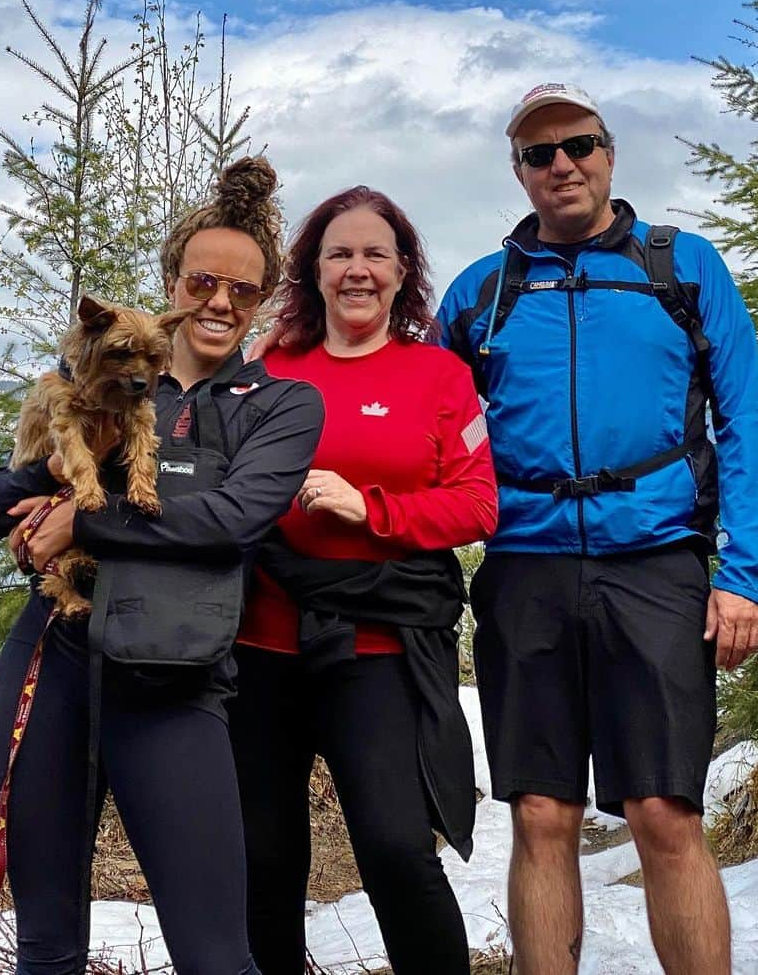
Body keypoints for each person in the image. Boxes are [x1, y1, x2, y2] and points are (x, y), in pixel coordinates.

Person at [436, 83, 758, 975]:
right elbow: (427, 431)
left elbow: (745, 420)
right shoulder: (483, 292)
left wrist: (746, 575)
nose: (563, 166)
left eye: (579, 145)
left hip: (658, 563)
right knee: (541, 814)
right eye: (539, 154)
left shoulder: (685, 268)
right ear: (518, 171)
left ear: (610, 153)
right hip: (525, 567)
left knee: (663, 812)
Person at [0, 157, 323, 975]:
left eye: (245, 291)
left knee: (216, 954)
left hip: (175, 683)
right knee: (46, 946)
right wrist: (45, 477)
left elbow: (230, 526)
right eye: (201, 282)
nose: (220, 303)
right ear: (171, 281)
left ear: (263, 304)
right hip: (49, 663)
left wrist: (82, 522)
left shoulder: (283, 406)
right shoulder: (98, 380)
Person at [231, 185, 498, 975]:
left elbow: (479, 504)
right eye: (339, 253)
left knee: (394, 851)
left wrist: (370, 509)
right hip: (260, 644)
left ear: (402, 269)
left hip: (377, 649)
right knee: (265, 863)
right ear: (312, 270)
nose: (357, 269)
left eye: (375, 253)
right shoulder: (265, 370)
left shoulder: (439, 376)